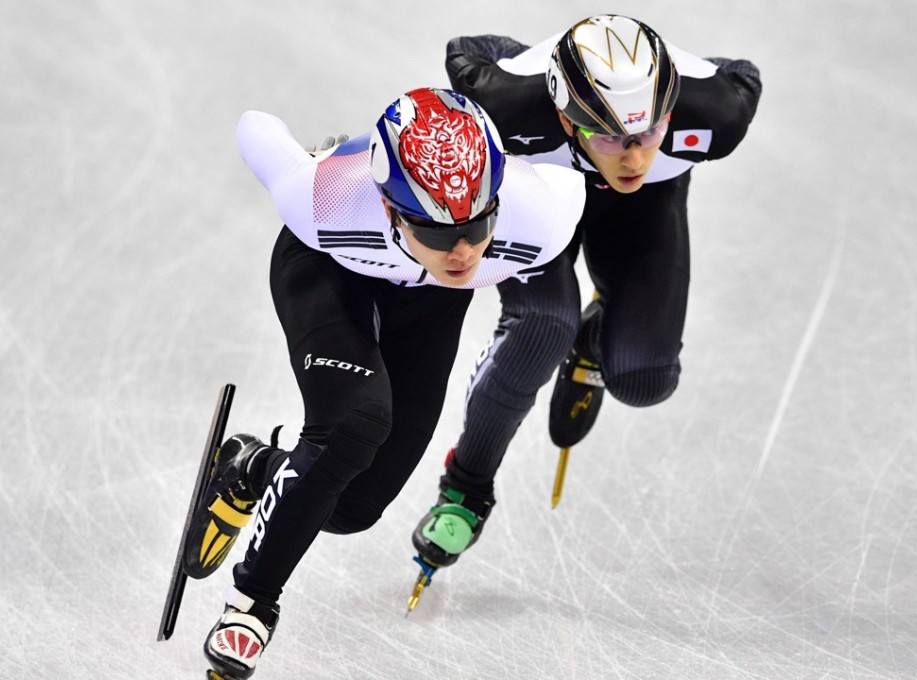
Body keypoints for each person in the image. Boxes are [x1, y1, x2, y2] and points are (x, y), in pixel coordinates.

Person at [181, 87, 585, 679]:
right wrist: (329, 156)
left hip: (431, 304)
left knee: (350, 509)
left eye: (479, 224)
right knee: (354, 423)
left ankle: (254, 468)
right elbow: (255, 125)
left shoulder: (542, 218)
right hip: (329, 272)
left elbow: (585, 171)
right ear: (392, 209)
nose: (466, 250)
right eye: (442, 234)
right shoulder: (322, 200)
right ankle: (251, 607)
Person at [410, 15, 762, 579]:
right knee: (543, 325)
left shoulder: (717, 113)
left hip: (643, 208)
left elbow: (741, 75)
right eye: (610, 137)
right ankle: (466, 488)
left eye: (648, 134)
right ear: (565, 116)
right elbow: (468, 50)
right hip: (541, 192)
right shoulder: (505, 102)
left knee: (645, 378)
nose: (633, 159)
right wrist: (533, 60)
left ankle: (596, 335)